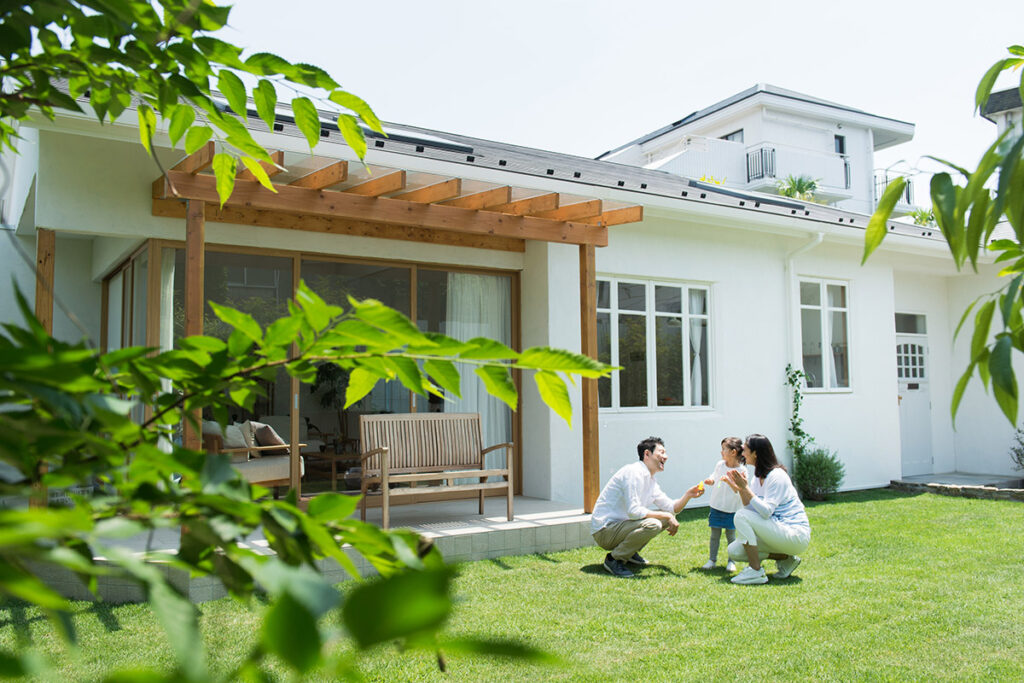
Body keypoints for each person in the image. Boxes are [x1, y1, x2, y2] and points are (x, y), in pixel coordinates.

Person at [591, 436, 705, 578]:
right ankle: (614, 560)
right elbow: (634, 512)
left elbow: (671, 508)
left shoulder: (650, 480)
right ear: (647, 454)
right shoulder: (633, 472)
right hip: (605, 531)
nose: (666, 457)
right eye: (661, 452)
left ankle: (630, 554)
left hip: (620, 527)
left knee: (665, 518)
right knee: (654, 524)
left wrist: (688, 495)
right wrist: (667, 516)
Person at [723, 434, 810, 585]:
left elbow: (766, 512)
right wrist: (742, 489)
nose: (742, 454)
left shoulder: (777, 476)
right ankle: (787, 559)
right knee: (735, 551)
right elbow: (751, 510)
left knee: (740, 515)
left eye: (745, 450)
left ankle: (756, 571)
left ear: (755, 453)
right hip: (778, 530)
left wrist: (746, 489)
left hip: (795, 534)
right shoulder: (757, 477)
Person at [700, 437, 746, 572]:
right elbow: (714, 476)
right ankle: (712, 560)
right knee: (715, 535)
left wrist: (729, 481)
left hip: (732, 509)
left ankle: (732, 561)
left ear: (733, 452)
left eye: (723, 449)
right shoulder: (720, 465)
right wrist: (710, 480)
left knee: (731, 536)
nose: (721, 452)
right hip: (717, 506)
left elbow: (739, 489)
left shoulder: (742, 471)